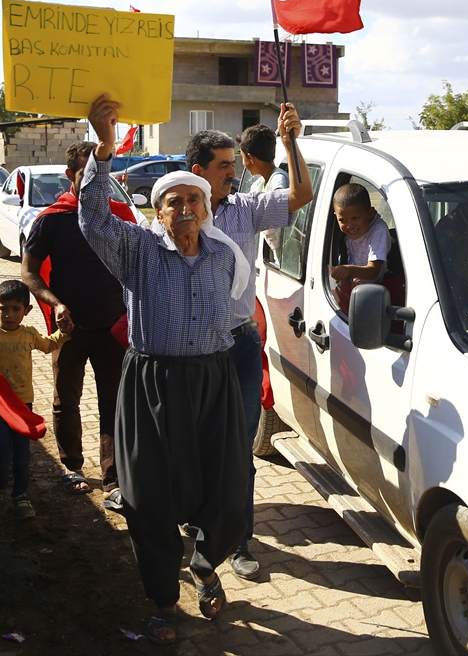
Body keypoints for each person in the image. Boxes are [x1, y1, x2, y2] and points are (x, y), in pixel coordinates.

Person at [81, 93, 253, 645]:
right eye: (172, 201)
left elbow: (232, 313)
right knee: (147, 498)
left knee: (226, 491)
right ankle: (162, 599)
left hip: (211, 381)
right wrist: (104, 152)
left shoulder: (224, 256)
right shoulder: (137, 250)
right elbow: (92, 218)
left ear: (206, 208)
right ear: (158, 212)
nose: (184, 208)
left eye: (192, 200)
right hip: (151, 383)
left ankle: (204, 568)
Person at [186, 108, 311, 582]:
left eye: (235, 167)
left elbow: (301, 194)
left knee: (239, 447)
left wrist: (290, 142)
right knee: (196, 444)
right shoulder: (177, 211)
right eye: (225, 167)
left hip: (239, 346)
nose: (234, 173)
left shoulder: (247, 209)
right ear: (198, 172)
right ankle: (199, 531)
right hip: (194, 352)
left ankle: (238, 541)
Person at [22, 141, 128, 511]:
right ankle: (72, 468)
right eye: (86, 175)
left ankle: (114, 479)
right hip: (68, 329)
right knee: (65, 400)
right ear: (70, 176)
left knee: (115, 404)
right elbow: (30, 273)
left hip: (116, 327)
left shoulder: (121, 216)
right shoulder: (51, 219)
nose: (95, 183)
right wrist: (56, 304)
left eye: (101, 175)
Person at [0, 279, 70, 520]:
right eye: (4, 308)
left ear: (27, 310)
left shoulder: (29, 334)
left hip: (23, 405)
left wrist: (64, 333)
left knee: (22, 454)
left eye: (16, 308)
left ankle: (21, 495)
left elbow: (48, 345)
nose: (9, 314)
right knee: (2, 453)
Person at [330, 183, 389, 286]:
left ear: (370, 213)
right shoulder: (349, 230)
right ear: (336, 217)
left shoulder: (378, 231)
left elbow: (373, 271)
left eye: (355, 218)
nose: (349, 226)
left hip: (374, 291)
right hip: (355, 284)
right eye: (342, 220)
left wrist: (349, 270)